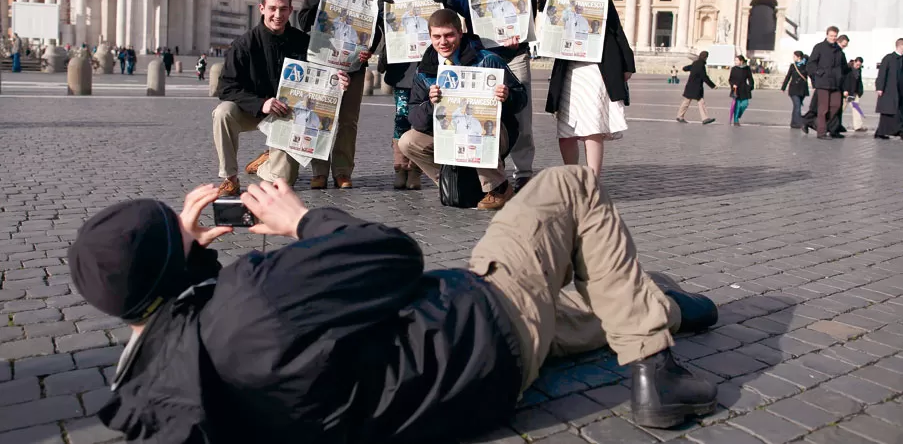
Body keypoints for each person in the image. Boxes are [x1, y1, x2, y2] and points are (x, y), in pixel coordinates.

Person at [68, 167, 719, 443]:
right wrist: (301, 220)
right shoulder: (251, 303)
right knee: (566, 188)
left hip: (456, 387)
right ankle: (655, 366)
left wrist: (188, 259)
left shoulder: (155, 399)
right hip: (479, 325)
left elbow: (196, 326)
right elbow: (393, 254)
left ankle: (660, 303)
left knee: (576, 306)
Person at [400, 9, 526, 211]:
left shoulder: (487, 60)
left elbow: (522, 98)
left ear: (460, 33)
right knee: (407, 141)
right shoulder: (424, 70)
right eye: (437, 36)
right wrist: (431, 105)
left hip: (493, 132)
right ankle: (454, 179)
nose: (443, 42)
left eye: (449, 35)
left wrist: (508, 96)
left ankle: (499, 188)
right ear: (430, 37)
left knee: (473, 129)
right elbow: (415, 116)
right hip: (448, 134)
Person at [451, 0, 538, 193]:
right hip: (482, 54)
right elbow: (460, 8)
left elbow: (529, 2)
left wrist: (520, 30)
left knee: (522, 113)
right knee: (486, 114)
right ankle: (494, 172)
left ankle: (524, 171)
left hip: (515, 52)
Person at [541, 0, 633, 177]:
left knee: (592, 124)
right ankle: (573, 178)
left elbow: (613, 23)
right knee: (566, 126)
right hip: (566, 66)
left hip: (594, 65)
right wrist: (546, 2)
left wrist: (627, 61)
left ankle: (591, 180)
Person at [297, 0, 379, 190]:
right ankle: (319, 171)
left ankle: (343, 171)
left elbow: (376, 29)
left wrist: (370, 50)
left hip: (354, 65)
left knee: (348, 120)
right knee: (320, 115)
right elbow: (304, 22)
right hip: (323, 63)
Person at [212, 0, 310, 196]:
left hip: (286, 115)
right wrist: (261, 103)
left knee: (284, 181)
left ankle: (265, 165)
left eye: (283, 9)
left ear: (290, 10)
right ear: (262, 8)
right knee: (222, 113)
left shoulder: (303, 42)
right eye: (273, 8)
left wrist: (336, 78)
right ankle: (230, 177)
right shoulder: (243, 44)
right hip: (250, 111)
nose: (278, 15)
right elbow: (226, 88)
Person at [378, 0, 456, 191]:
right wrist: (382, 8)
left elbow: (453, 17)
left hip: (431, 60)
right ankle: (400, 167)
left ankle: (418, 170)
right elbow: (383, 26)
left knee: (428, 115)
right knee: (402, 115)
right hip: (402, 62)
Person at [806, 27, 850, 140]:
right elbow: (811, 64)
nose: (833, 38)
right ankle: (821, 132)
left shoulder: (839, 50)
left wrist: (847, 70)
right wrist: (819, 73)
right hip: (823, 82)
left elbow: (844, 66)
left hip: (836, 83)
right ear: (827, 35)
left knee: (836, 106)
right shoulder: (819, 47)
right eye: (831, 36)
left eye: (835, 36)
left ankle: (817, 123)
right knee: (823, 108)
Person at [874, 38, 903, 140]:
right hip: (889, 90)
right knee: (895, 111)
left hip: (901, 90)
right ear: (901, 45)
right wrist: (879, 88)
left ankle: (880, 132)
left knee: (888, 114)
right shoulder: (888, 58)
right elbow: (882, 74)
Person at [676, 51, 717, 124]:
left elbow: (686, 68)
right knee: (701, 102)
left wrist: (685, 68)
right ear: (706, 58)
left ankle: (680, 116)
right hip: (696, 87)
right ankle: (705, 118)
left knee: (686, 101)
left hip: (690, 86)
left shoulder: (695, 63)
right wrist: (713, 85)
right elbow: (704, 77)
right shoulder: (701, 65)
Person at [780, 50, 809, 128]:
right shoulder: (793, 66)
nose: (793, 58)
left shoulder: (806, 65)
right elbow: (788, 76)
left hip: (802, 89)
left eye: (794, 56)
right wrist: (783, 87)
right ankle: (798, 122)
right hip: (794, 89)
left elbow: (811, 75)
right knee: (797, 105)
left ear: (799, 57)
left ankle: (793, 123)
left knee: (797, 106)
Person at [728, 55, 755, 126]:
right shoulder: (734, 68)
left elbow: (750, 78)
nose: (735, 62)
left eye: (737, 60)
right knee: (736, 105)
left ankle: (738, 114)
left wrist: (750, 86)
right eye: (735, 60)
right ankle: (736, 120)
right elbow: (730, 79)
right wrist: (733, 84)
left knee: (744, 104)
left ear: (741, 61)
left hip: (744, 88)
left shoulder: (747, 68)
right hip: (736, 89)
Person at [843, 56, 866, 132]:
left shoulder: (859, 70)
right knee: (840, 109)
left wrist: (860, 91)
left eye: (859, 65)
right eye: (857, 64)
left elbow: (859, 81)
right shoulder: (847, 68)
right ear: (854, 62)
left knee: (856, 108)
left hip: (854, 93)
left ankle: (858, 126)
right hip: (846, 93)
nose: (858, 66)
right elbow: (843, 79)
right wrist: (844, 90)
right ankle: (832, 123)